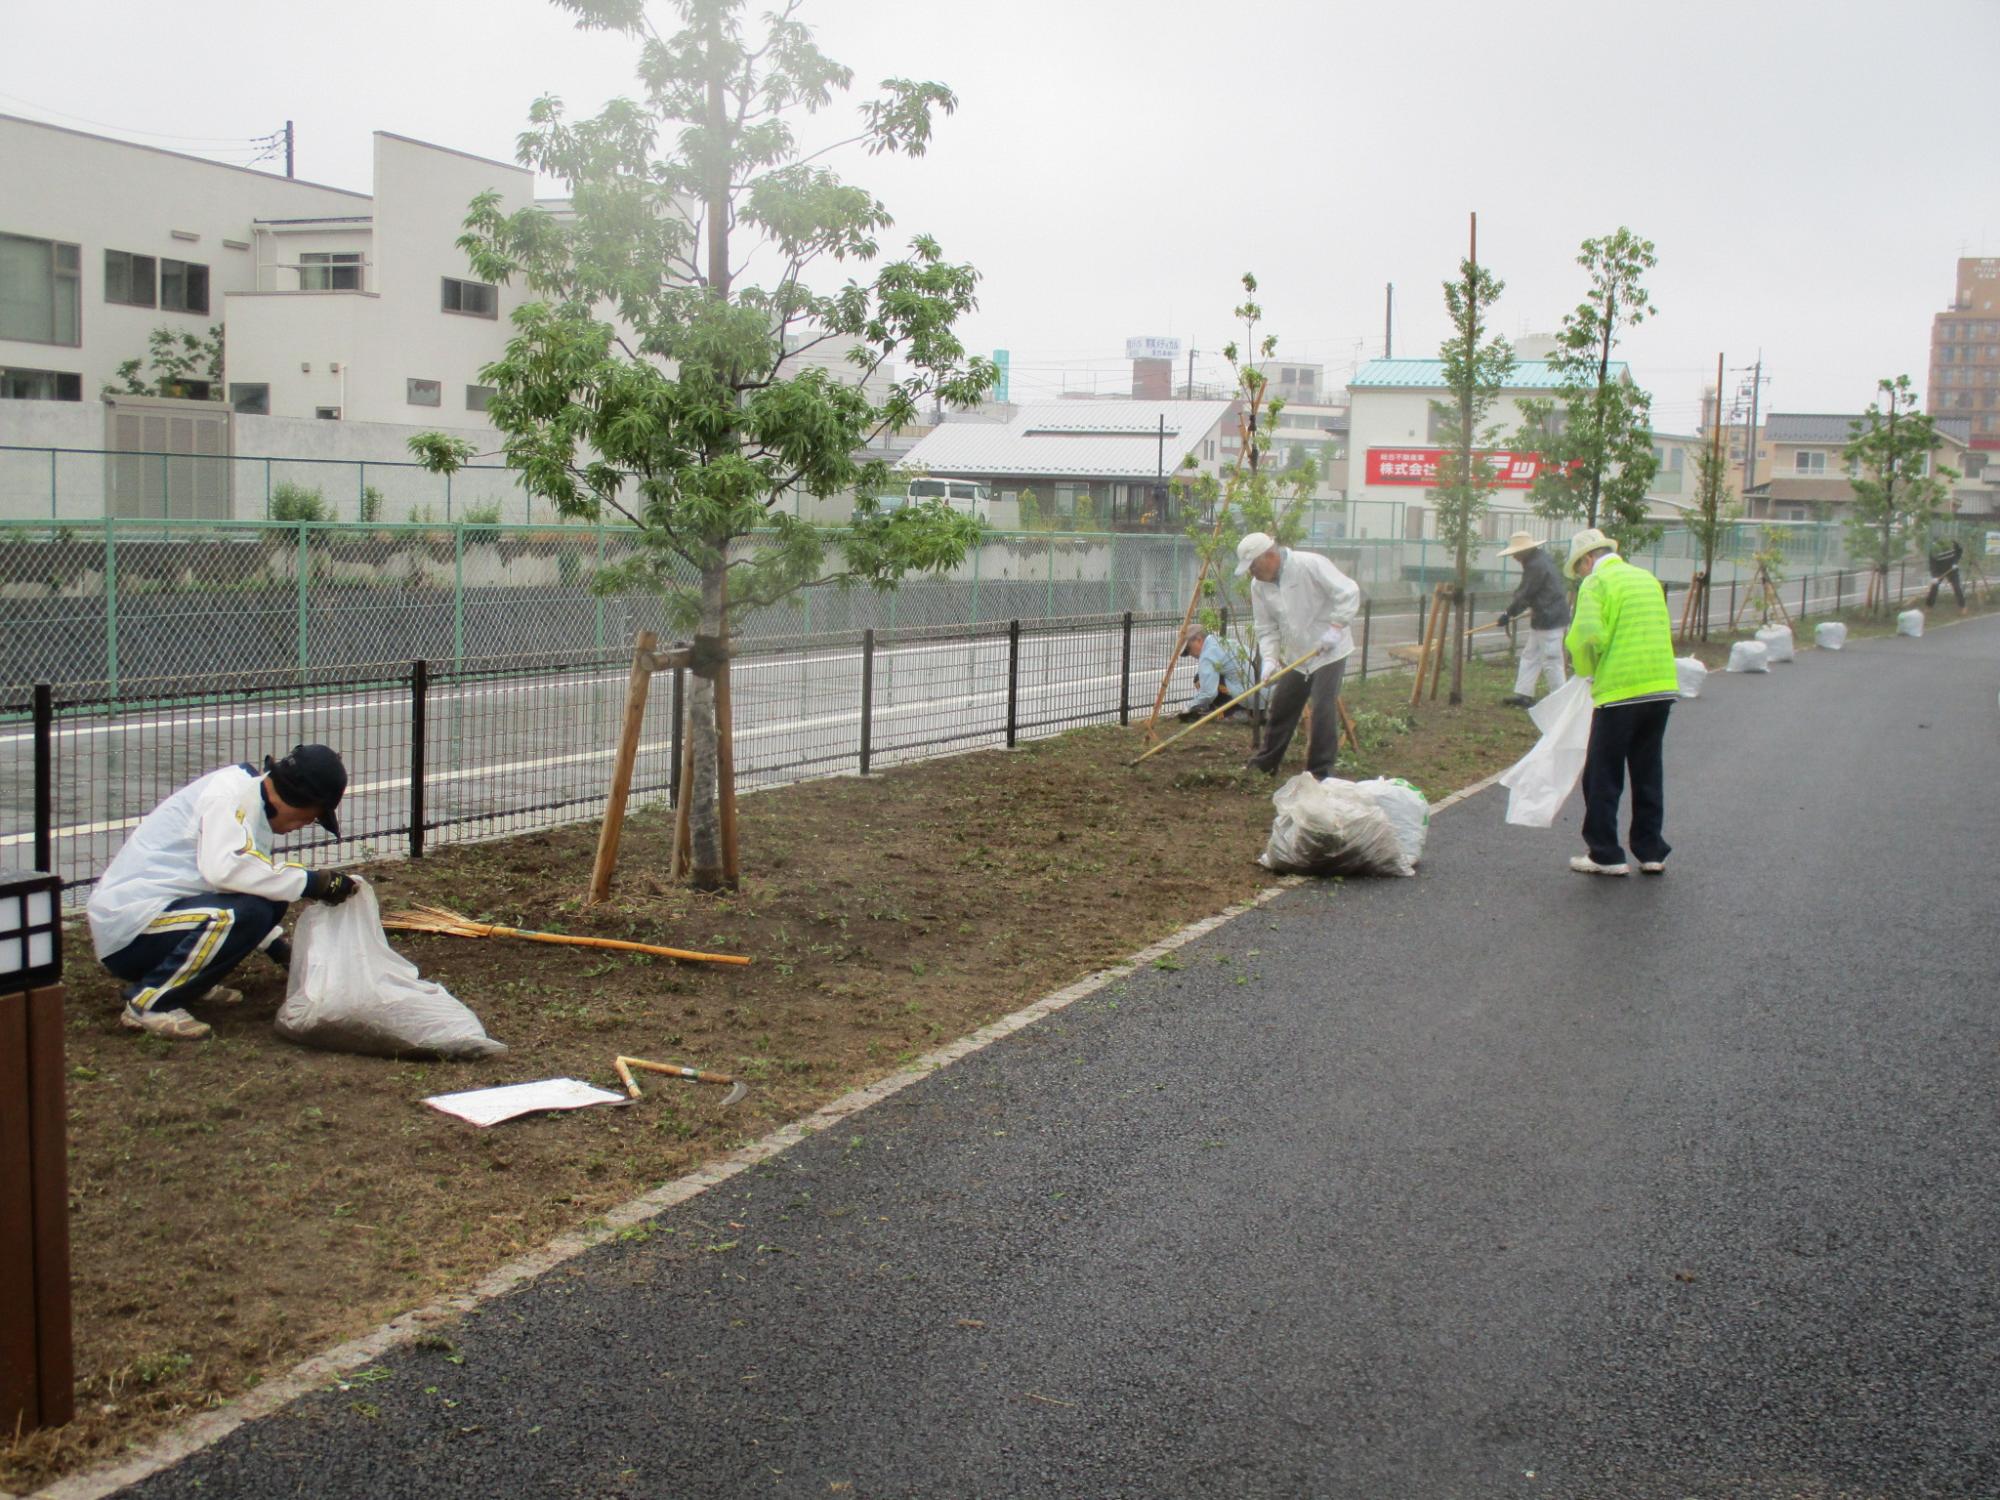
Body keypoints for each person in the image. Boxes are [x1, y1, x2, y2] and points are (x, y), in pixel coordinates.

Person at [86, 744, 359, 1039]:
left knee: (267, 903)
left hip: (158, 918)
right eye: (311, 816)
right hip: (128, 930)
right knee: (244, 913)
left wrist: (279, 948)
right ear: (299, 799)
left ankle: (190, 983)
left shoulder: (251, 800)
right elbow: (225, 871)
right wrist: (310, 881)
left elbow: (244, 882)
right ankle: (150, 1003)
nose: (305, 824)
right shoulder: (229, 796)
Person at [1563, 528, 1678, 877]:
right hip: (1660, 687)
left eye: (1580, 568)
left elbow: (1587, 637)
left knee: (1603, 774)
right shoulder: (1646, 579)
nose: (1582, 574)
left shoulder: (1597, 583)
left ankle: (1605, 853)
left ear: (1587, 559)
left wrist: (1587, 673)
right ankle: (1651, 850)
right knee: (1647, 770)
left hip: (1620, 692)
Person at [1237, 531, 1361, 779]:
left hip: (1329, 650)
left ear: (1270, 556)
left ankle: (1320, 772)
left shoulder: (1309, 564)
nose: (1252, 573)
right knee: (1283, 705)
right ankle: (1266, 763)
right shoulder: (1259, 586)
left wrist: (1336, 627)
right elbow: (1266, 628)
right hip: (1297, 655)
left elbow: (1348, 591)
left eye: (1253, 566)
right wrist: (1270, 659)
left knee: (1323, 706)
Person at [1494, 530, 1570, 706]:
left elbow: (1526, 593)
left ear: (1524, 551)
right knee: (1530, 655)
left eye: (1516, 554)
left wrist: (1508, 613)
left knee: (1552, 660)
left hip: (1550, 618)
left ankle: (1561, 700)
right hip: (1544, 615)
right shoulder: (1540, 560)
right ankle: (1524, 694)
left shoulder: (1536, 565)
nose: (1514, 557)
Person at [1177, 625, 1254, 721]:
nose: (1190, 654)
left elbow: (1208, 693)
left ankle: (1234, 712)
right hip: (1263, 694)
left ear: (1199, 640)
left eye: (1189, 648)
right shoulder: (1222, 642)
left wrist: (1188, 707)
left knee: (1199, 680)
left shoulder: (1207, 654)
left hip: (1249, 697)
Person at [1927, 534, 1966, 609]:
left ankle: (1962, 607)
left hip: (1952, 569)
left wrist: (1955, 562)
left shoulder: (1951, 543)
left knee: (1956, 587)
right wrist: (1934, 576)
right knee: (1934, 587)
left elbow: (1959, 551)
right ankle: (1929, 606)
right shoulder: (1933, 550)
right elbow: (1932, 564)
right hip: (1939, 570)